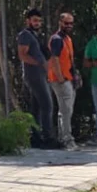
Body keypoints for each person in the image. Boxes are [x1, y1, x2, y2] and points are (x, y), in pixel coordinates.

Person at [17, 8, 58, 149]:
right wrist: (39, 63)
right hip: (33, 75)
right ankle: (48, 138)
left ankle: (35, 137)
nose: (37, 23)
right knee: (47, 104)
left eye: (39, 21)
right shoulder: (25, 35)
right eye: (35, 20)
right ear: (28, 21)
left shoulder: (35, 35)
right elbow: (22, 55)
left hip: (40, 74)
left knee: (37, 107)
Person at [48, 12, 80, 150]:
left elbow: (69, 60)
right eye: (66, 23)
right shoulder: (56, 39)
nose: (69, 26)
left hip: (69, 78)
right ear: (60, 23)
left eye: (71, 23)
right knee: (66, 110)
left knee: (67, 110)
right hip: (61, 80)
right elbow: (54, 59)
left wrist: (76, 75)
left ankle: (64, 138)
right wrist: (60, 78)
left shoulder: (67, 39)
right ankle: (67, 140)